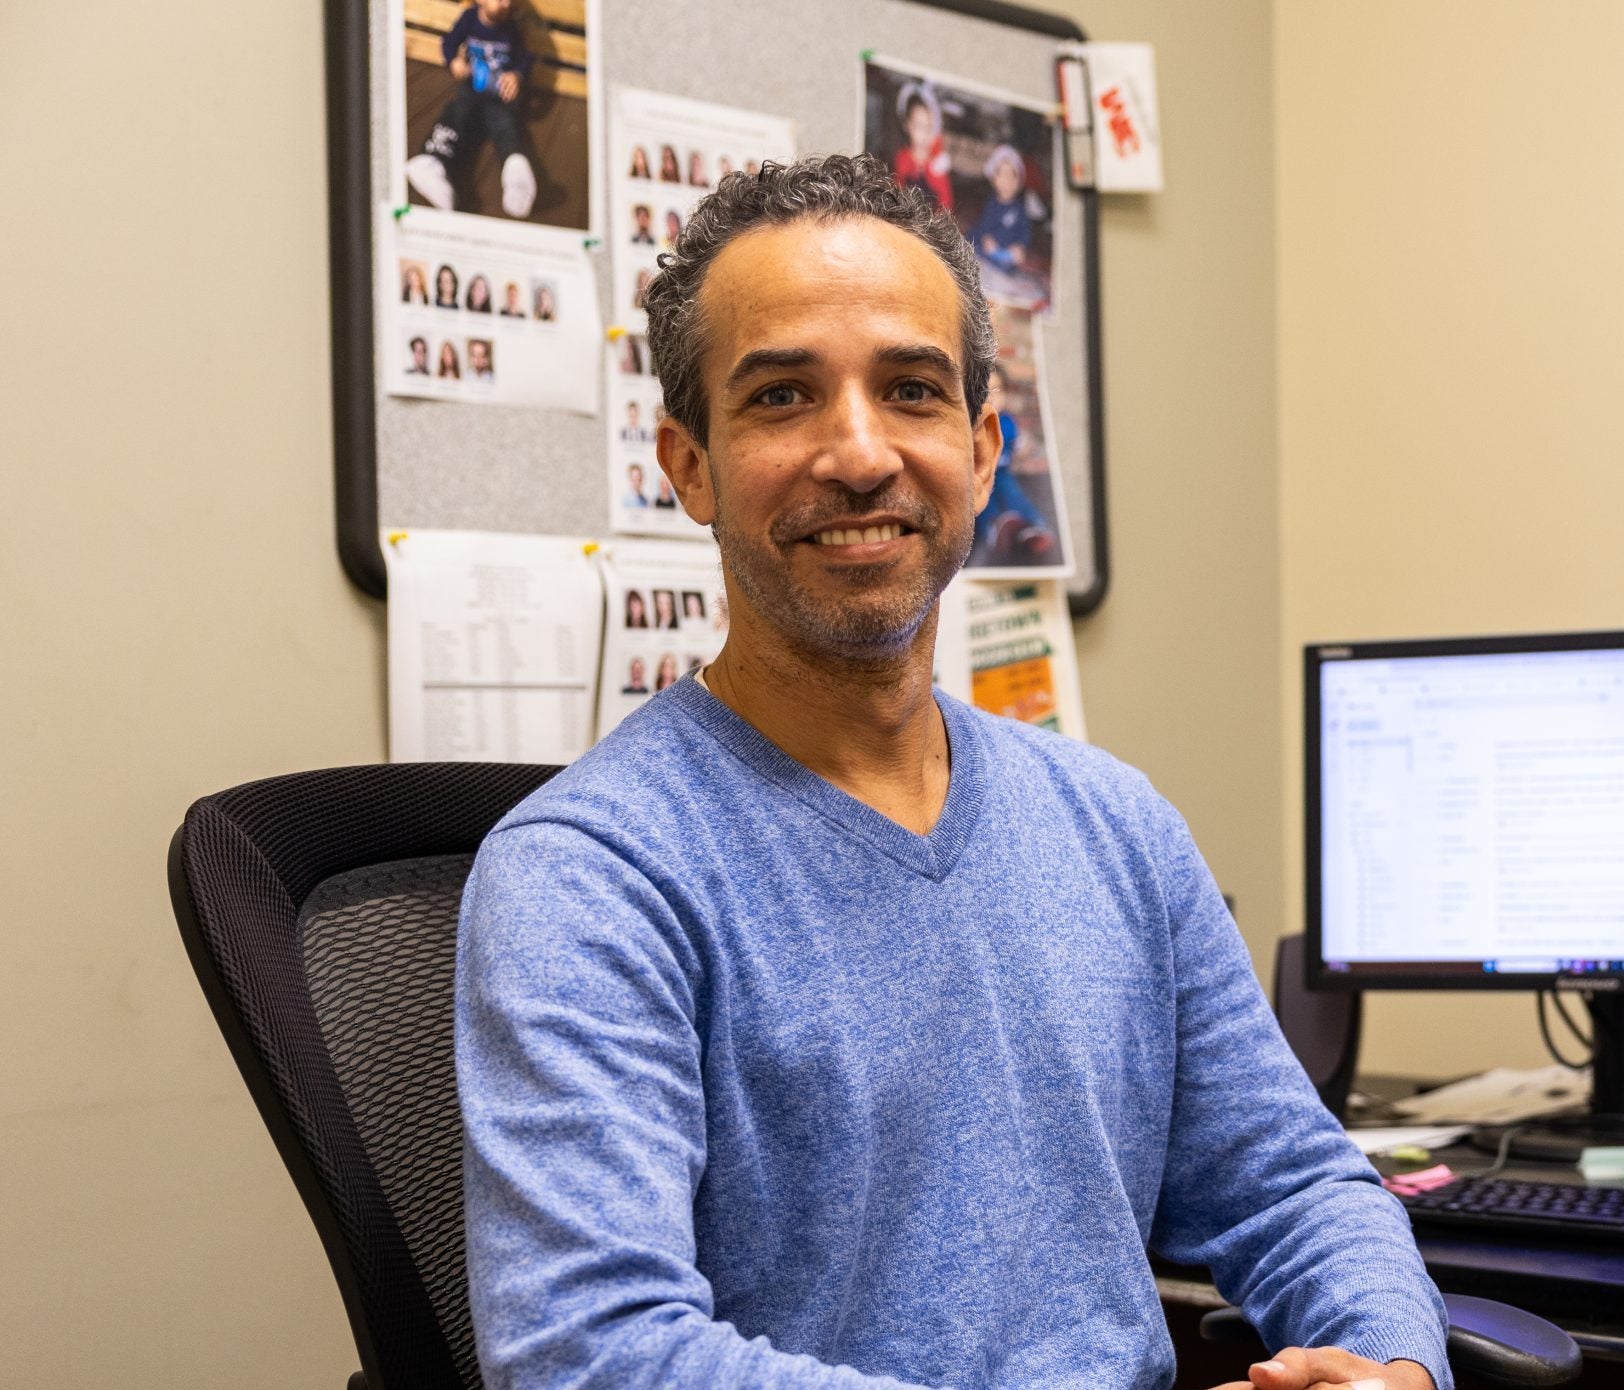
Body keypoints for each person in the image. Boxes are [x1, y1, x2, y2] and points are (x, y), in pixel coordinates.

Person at [456, 152, 1447, 1390]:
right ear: (690, 462)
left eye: (912, 391)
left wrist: (1392, 1361)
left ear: (982, 449)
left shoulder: (1115, 824)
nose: (859, 454)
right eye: (781, 398)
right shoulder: (589, 879)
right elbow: (587, 1357)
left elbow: (1294, 1182)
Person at [403, 0, 540, 219]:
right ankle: (432, 162)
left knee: (505, 124)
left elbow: (525, 59)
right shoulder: (468, 19)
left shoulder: (511, 27)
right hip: (471, 90)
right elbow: (449, 43)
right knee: (455, 114)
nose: (507, 4)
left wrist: (516, 75)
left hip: (498, 98)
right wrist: (454, 62)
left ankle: (516, 174)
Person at [970, 363, 1059, 567]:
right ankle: (995, 529)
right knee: (983, 500)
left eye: (997, 391)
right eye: (984, 391)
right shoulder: (973, 424)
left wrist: (1025, 449)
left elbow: (1019, 444)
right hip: (981, 475)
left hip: (1002, 473)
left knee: (1014, 494)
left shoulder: (1008, 422)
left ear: (1007, 396)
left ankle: (1036, 527)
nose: (990, 397)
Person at [969, 144, 1038, 275]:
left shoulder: (1020, 209)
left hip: (1007, 249)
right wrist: (987, 238)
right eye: (1003, 176)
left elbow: (1025, 232)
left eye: (1012, 177)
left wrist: (1020, 246)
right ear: (994, 180)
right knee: (974, 248)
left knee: (1014, 261)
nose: (1008, 182)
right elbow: (984, 225)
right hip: (989, 246)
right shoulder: (991, 204)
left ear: (1019, 182)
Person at [891, 81, 953, 208]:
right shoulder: (902, 158)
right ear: (907, 126)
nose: (925, 133)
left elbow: (946, 203)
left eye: (929, 127)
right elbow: (895, 191)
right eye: (919, 126)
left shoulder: (937, 166)